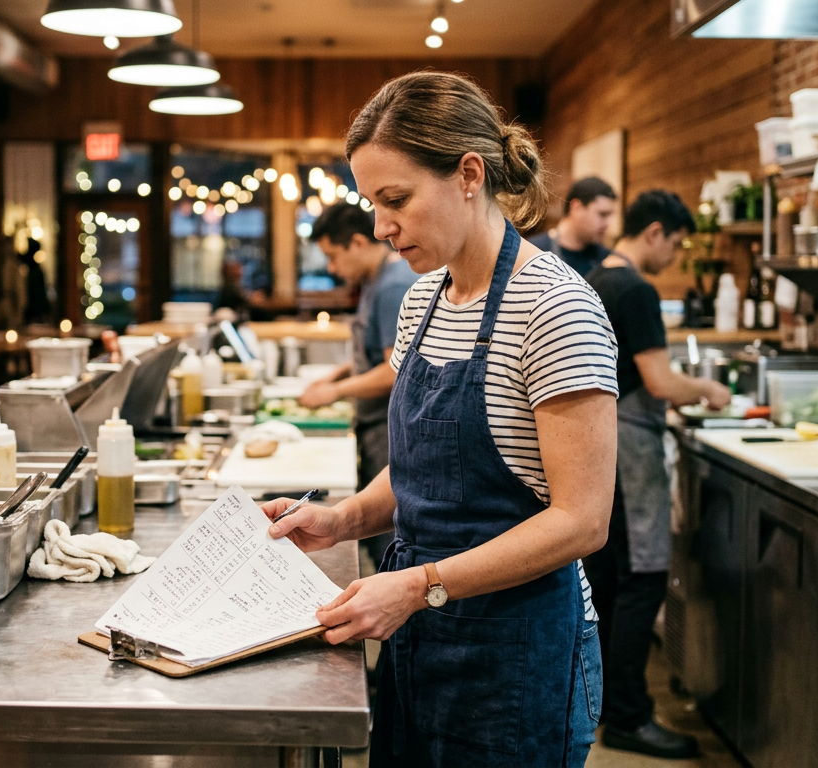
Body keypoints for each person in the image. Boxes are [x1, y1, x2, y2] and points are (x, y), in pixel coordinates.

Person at [263, 71, 619, 767]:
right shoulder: (423, 300)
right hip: (420, 636)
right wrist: (345, 519)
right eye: (372, 203)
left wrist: (422, 585)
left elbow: (583, 520)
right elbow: (429, 464)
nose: (380, 226)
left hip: (516, 650)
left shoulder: (556, 308)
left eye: (395, 199)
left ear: (468, 174)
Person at [581, 190, 731, 760]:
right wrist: (711, 391)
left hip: (601, 451)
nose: (673, 254)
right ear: (653, 233)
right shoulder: (636, 290)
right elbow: (663, 382)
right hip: (629, 455)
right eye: (674, 242)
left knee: (607, 585)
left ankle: (600, 707)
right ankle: (628, 716)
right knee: (642, 580)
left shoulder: (595, 278)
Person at [298, 203, 418, 567]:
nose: (332, 269)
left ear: (356, 243)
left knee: (388, 538)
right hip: (374, 424)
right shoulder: (376, 281)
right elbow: (380, 349)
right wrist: (339, 374)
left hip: (388, 426)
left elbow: (396, 368)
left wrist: (335, 392)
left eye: (333, 257)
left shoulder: (394, 287)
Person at [527, 176, 619, 276]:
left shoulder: (607, 259)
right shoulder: (535, 252)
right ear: (576, 207)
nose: (607, 224)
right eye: (602, 214)